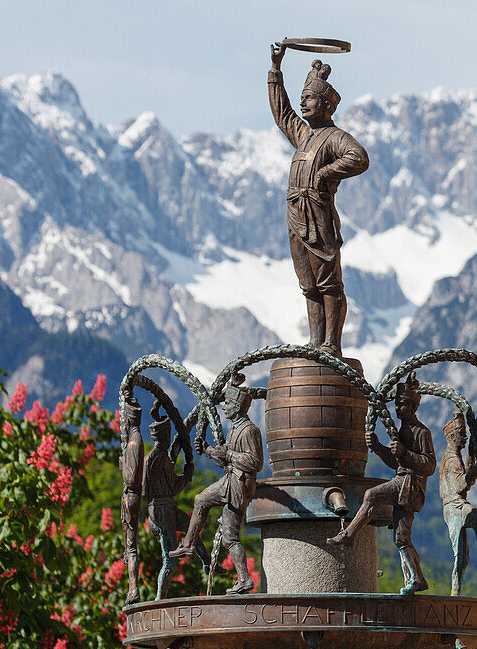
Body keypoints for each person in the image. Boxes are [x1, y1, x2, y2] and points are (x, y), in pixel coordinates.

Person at [268, 42, 370, 355]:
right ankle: (315, 342)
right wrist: (276, 70)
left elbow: (359, 157)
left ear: (325, 104)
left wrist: (327, 172)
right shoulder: (303, 135)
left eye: (309, 98)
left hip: (318, 215)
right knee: (308, 284)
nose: (303, 104)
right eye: (303, 98)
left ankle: (331, 344)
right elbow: (281, 113)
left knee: (328, 282)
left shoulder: (335, 136)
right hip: (296, 214)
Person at [327, 373, 434, 594]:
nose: (398, 409)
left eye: (403, 404)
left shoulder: (422, 432)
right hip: (402, 481)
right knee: (401, 538)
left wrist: (405, 453)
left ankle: (348, 535)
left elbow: (429, 465)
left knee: (371, 495)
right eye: (396, 405)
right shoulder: (403, 431)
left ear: (413, 406)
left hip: (409, 485)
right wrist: (378, 447)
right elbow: (397, 462)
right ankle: (418, 579)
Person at [169, 373, 262, 595]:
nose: (225, 407)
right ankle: (243, 578)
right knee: (229, 536)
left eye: (228, 403)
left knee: (202, 502)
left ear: (238, 406)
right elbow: (225, 457)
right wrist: (209, 450)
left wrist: (228, 454)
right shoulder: (235, 429)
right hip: (231, 481)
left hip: (237, 486)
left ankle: (190, 543)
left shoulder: (250, 430)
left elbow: (255, 462)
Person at [142, 401, 209, 599]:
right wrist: (187, 475)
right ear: (164, 436)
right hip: (163, 509)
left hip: (156, 509)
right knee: (169, 559)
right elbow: (173, 487)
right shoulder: (161, 458)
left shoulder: (150, 457)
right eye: (168, 434)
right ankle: (159, 599)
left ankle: (206, 562)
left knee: (191, 525)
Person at [439, 411, 477, 596]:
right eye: (461, 434)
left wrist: (473, 472)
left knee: (463, 557)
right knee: (476, 521)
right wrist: (474, 470)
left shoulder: (453, 457)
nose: (465, 437)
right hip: (454, 506)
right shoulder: (452, 460)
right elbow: (460, 484)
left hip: (456, 505)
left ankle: (456, 590)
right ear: (451, 436)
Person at [120, 396, 145, 605]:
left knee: (132, 546)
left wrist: (122, 467)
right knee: (129, 546)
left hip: (131, 496)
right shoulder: (133, 440)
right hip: (130, 496)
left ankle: (133, 587)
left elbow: (132, 476)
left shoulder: (134, 443)